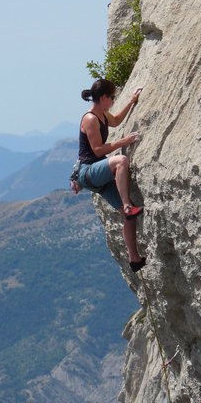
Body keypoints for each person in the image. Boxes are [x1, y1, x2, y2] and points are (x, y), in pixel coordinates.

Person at [78, 78, 146, 273]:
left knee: (128, 216)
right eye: (113, 98)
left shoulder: (103, 115)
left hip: (97, 173)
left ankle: (134, 259)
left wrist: (132, 101)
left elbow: (116, 120)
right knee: (121, 162)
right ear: (103, 98)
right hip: (89, 171)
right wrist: (124, 141)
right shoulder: (90, 119)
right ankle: (127, 206)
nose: (114, 101)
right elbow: (98, 150)